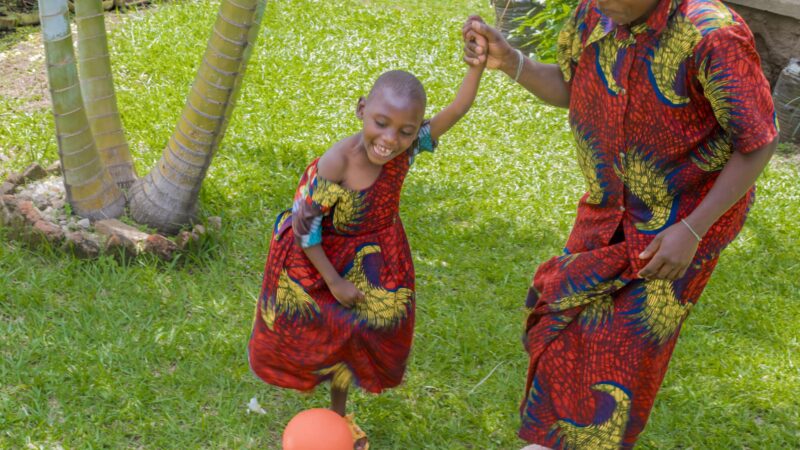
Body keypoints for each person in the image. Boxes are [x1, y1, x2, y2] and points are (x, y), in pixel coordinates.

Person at [462, 0, 777, 448]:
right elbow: (574, 86)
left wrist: (692, 230)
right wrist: (512, 62)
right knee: (563, 329)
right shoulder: (594, 13)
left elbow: (758, 141)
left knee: (616, 366)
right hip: (607, 210)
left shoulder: (713, 35)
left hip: (679, 227)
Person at [248, 63, 484, 449]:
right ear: (361, 110)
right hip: (321, 254)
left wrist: (476, 67)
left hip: (377, 253)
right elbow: (305, 226)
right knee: (318, 330)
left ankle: (339, 418)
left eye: (406, 131)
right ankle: (319, 413)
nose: (390, 139)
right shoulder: (337, 161)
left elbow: (457, 109)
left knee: (356, 335)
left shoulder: (407, 151)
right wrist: (334, 281)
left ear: (417, 129)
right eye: (381, 122)